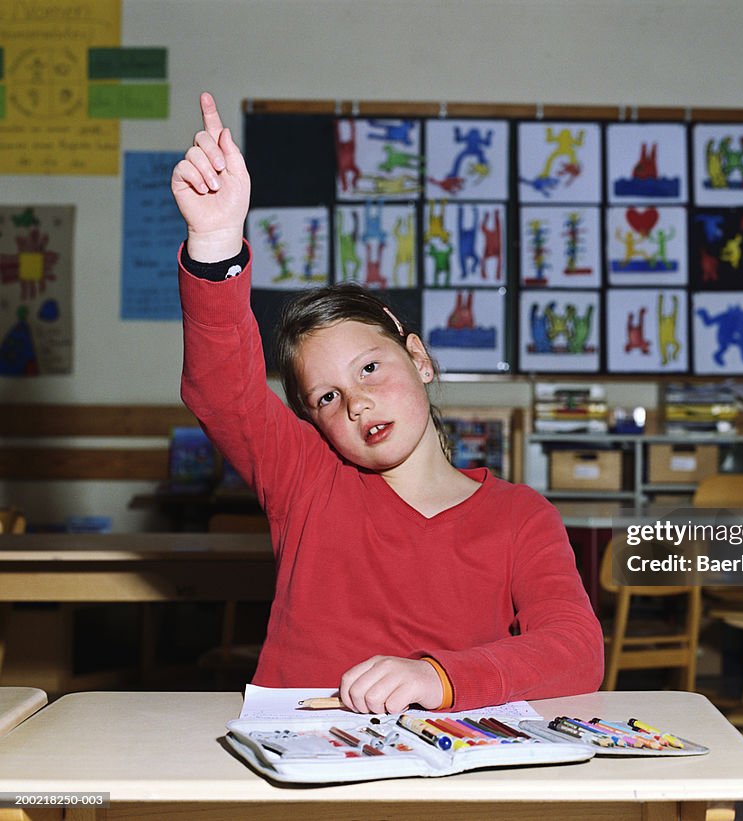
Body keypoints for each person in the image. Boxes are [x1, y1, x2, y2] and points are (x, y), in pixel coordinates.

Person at [170, 93, 604, 714]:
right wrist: (215, 241)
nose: (357, 401)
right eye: (327, 397)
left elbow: (575, 651)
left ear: (420, 360)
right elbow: (221, 389)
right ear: (311, 420)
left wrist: (440, 678)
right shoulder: (307, 479)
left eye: (370, 367)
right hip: (305, 765)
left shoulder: (520, 517)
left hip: (449, 771)